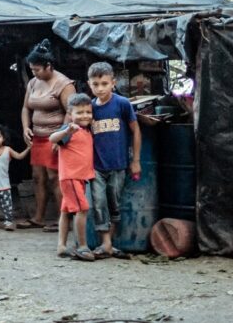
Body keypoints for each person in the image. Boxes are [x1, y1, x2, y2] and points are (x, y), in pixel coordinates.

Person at [18, 39, 76, 231]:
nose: (34, 73)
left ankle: (63, 220)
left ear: (49, 66)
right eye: (32, 69)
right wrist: (26, 127)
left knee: (55, 178)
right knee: (37, 177)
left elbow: (71, 112)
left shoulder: (64, 84)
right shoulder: (34, 83)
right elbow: (26, 108)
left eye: (37, 69)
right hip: (37, 138)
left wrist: (61, 137)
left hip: (55, 139)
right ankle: (38, 217)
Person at [86, 62, 141, 259]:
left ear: (113, 83)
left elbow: (136, 131)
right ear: (89, 85)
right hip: (96, 166)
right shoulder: (89, 108)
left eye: (104, 83)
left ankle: (109, 243)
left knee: (114, 203)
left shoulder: (122, 104)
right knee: (99, 203)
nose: (100, 88)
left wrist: (136, 160)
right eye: (95, 84)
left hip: (118, 165)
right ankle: (106, 243)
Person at [49, 93, 95, 261]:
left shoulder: (86, 130)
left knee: (65, 211)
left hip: (80, 178)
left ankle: (61, 246)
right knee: (82, 209)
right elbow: (52, 138)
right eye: (80, 112)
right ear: (70, 114)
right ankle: (82, 247)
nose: (85, 116)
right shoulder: (70, 129)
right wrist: (66, 130)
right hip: (71, 177)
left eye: (88, 112)